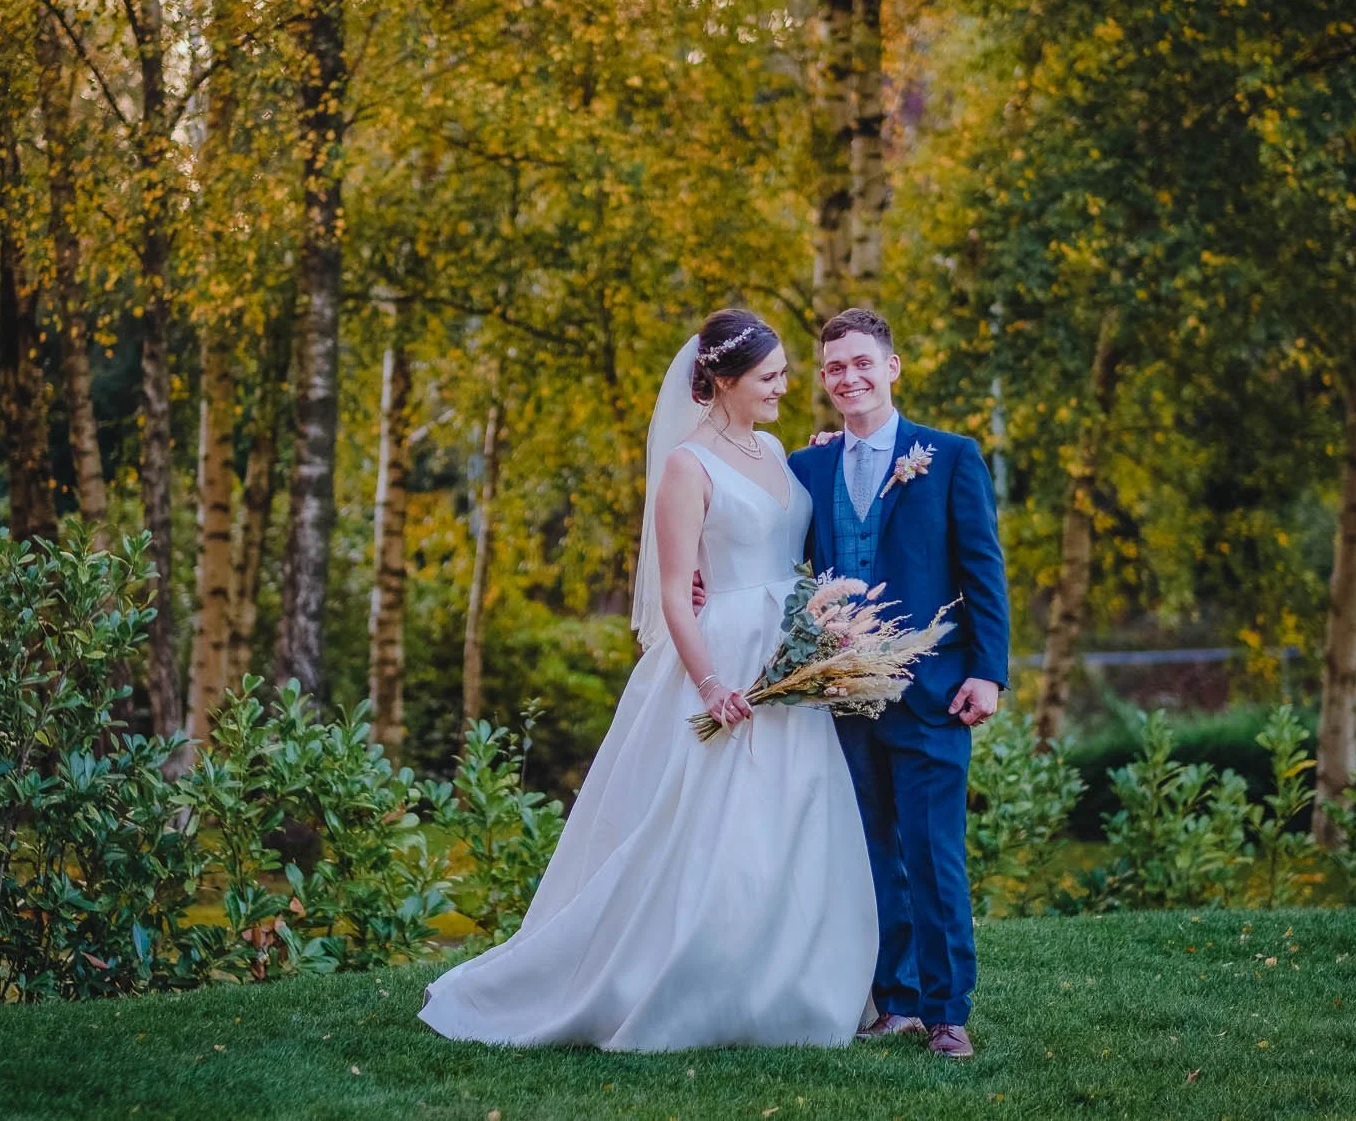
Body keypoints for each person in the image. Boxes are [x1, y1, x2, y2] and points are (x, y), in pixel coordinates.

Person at [419, 308, 878, 1050]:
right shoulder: (685, 466)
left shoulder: (776, 447)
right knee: (700, 835)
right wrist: (710, 685)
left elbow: (790, 522)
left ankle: (789, 986)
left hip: (789, 653)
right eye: (769, 377)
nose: (785, 389)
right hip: (721, 654)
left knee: (791, 824)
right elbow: (673, 594)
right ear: (723, 380)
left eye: (787, 373)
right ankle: (678, 984)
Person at [787, 306, 1012, 1060]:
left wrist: (988, 670)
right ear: (823, 379)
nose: (848, 377)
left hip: (932, 692)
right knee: (870, 853)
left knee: (933, 853)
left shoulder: (948, 456)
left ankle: (950, 1011)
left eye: (861, 362)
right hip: (840, 695)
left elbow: (983, 570)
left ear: (892, 367)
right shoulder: (806, 466)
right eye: (834, 367)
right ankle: (899, 1001)